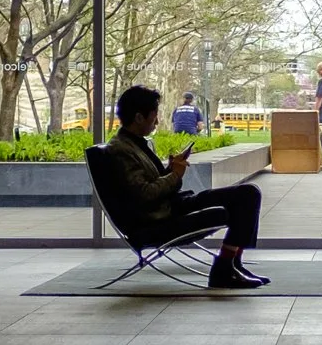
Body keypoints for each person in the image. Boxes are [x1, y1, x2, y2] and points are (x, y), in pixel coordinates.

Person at [102, 85, 267, 289]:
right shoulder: (121, 150)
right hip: (161, 216)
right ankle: (224, 269)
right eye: (154, 115)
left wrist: (170, 169)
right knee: (240, 201)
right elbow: (144, 194)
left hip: (171, 206)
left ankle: (232, 263)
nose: (157, 121)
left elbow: (145, 184)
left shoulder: (135, 144)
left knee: (248, 194)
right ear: (138, 118)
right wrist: (175, 174)